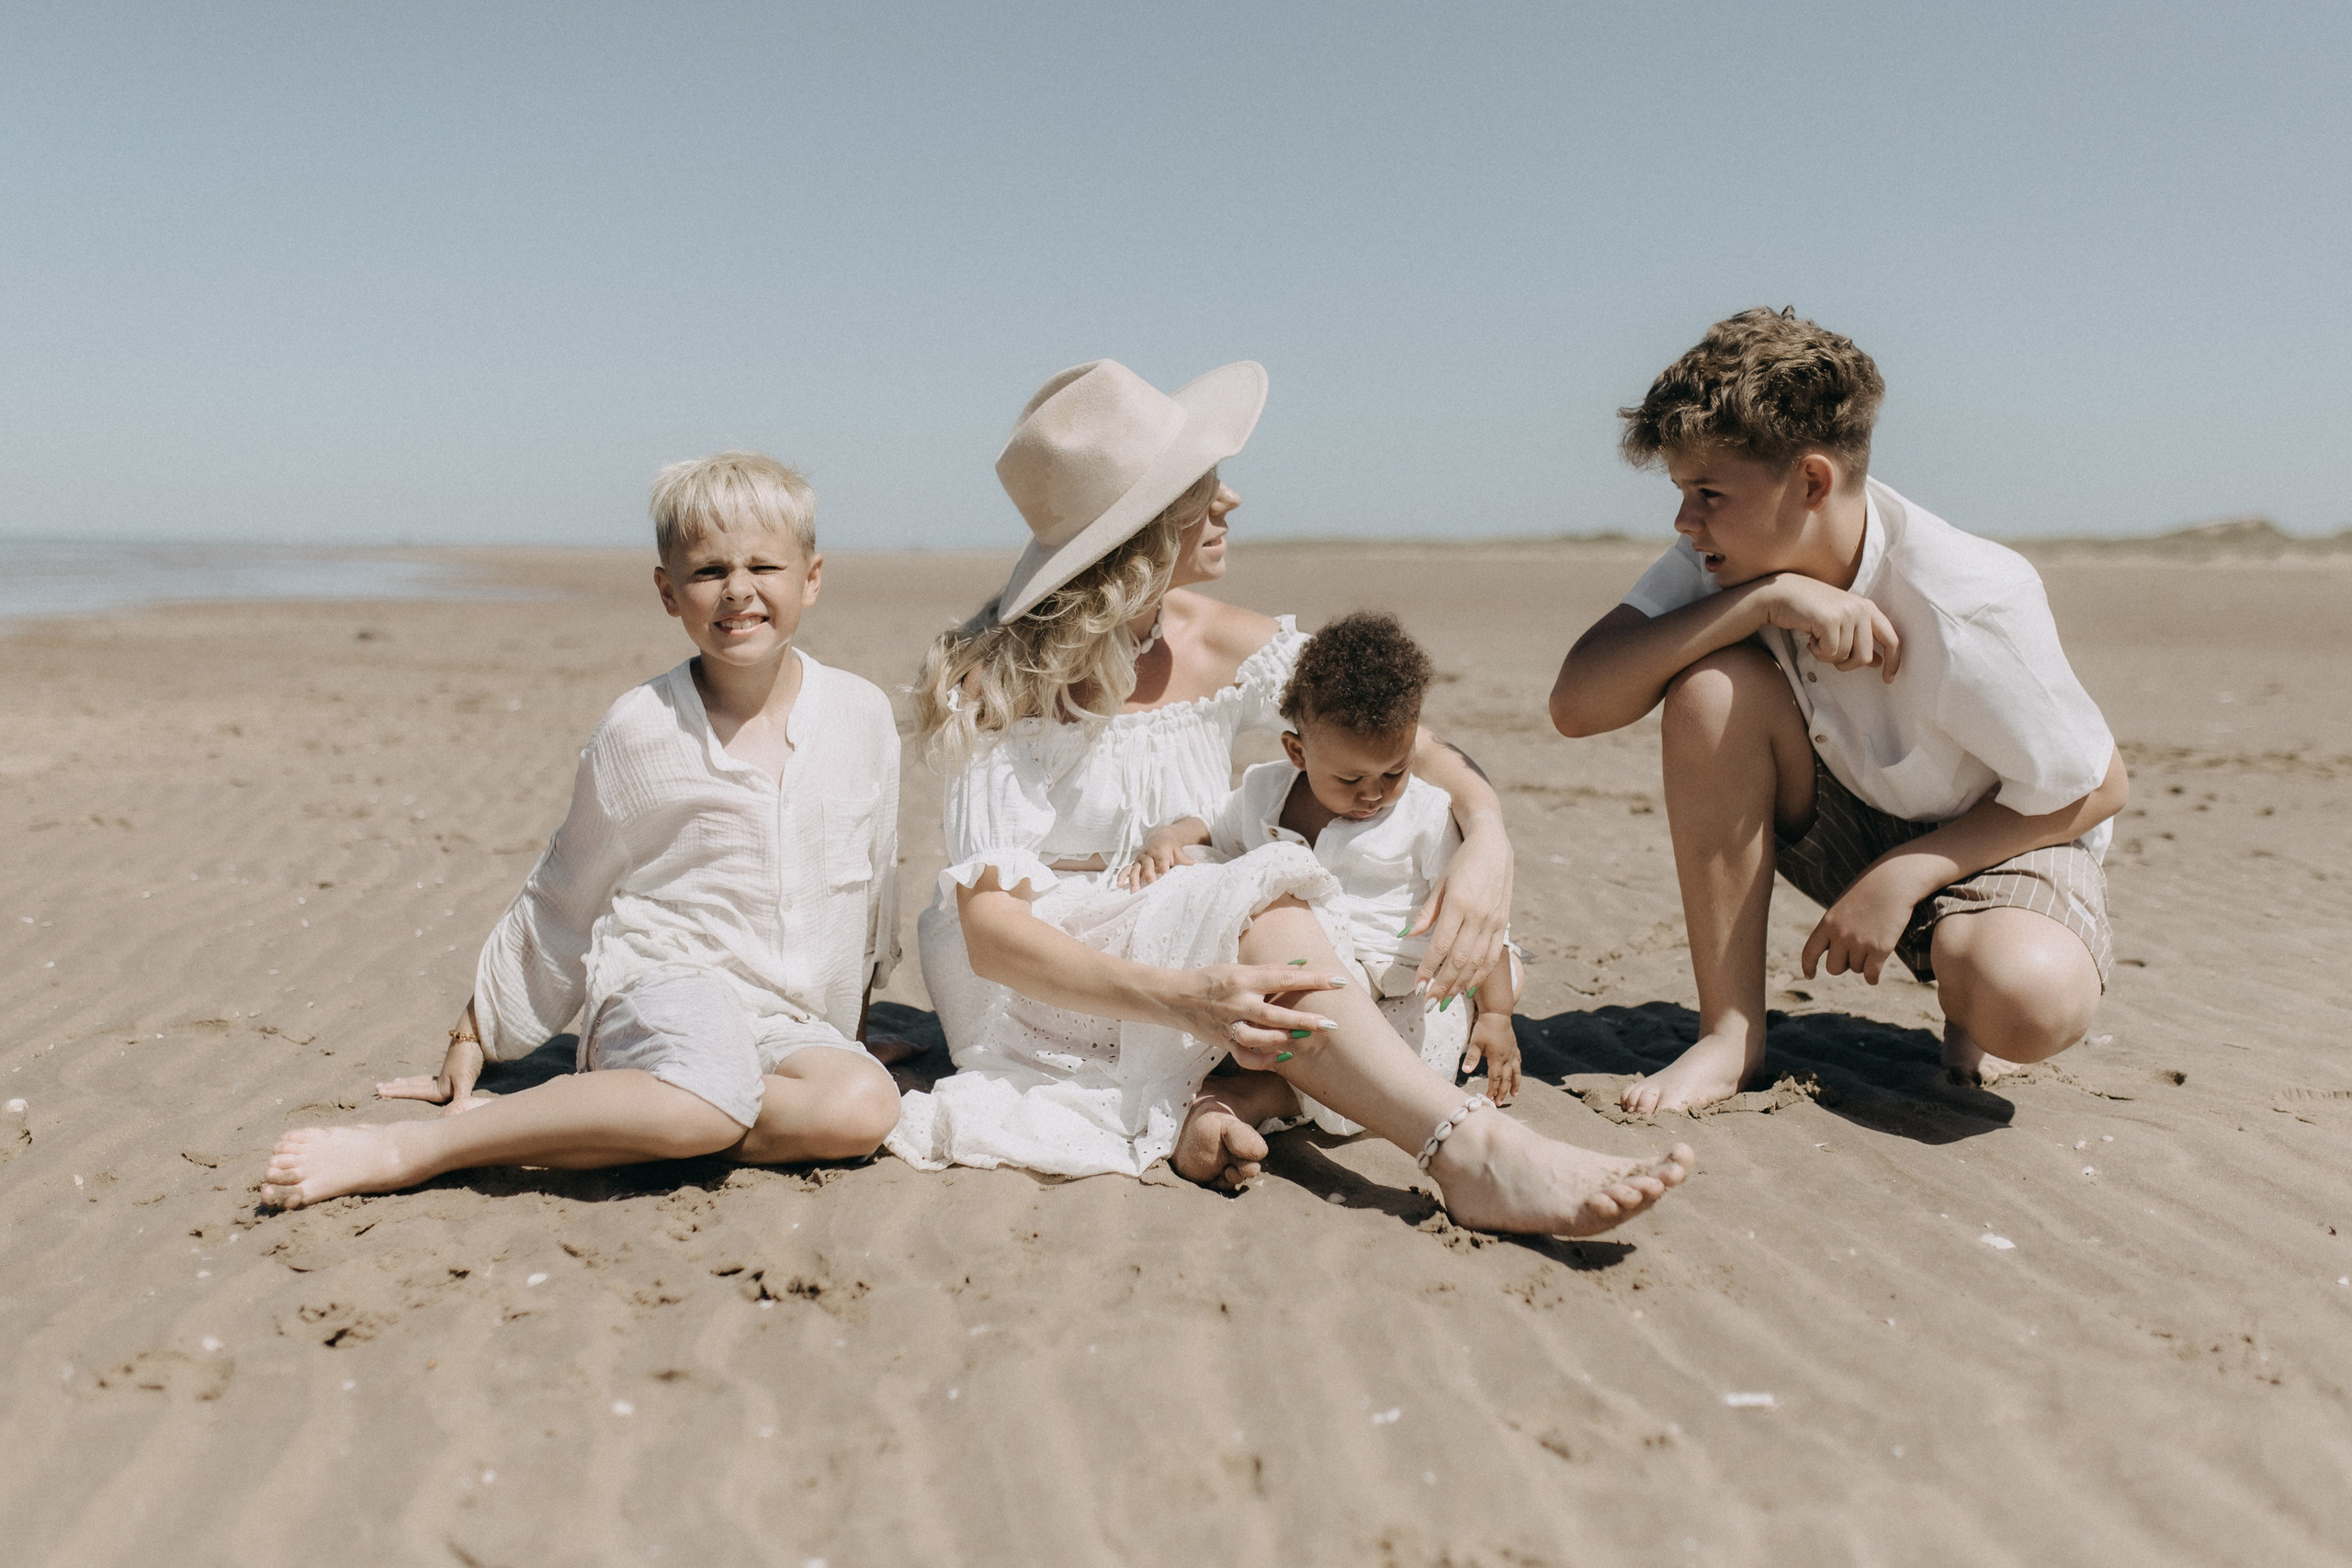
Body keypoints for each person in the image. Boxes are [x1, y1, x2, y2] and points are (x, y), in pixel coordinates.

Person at [887, 357, 1688, 1239]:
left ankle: (1227, 1098)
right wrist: (1178, 996)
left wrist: (1489, 839)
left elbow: (1417, 749)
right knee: (1268, 890)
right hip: (1058, 980)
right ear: (1143, 532)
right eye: (1203, 489)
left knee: (1450, 963)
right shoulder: (997, 681)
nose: (1230, 503)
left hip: (1205, 932)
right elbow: (993, 937)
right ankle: (1470, 1153)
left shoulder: (1229, 640)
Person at [260, 453, 905, 1208]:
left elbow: (873, 876)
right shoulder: (641, 730)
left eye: (765, 565)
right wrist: (480, 1028)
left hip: (785, 1017)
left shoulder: (861, 715)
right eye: (707, 572)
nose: (738, 590)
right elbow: (564, 893)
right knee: (709, 1085)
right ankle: (420, 1148)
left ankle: (622, 1118)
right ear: (668, 591)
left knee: (864, 1107)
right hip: (667, 985)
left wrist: (849, 1030)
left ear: (812, 578)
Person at [1549, 309, 2127, 1118]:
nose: (1686, 522)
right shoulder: (1728, 560)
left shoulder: (1970, 598)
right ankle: (1729, 1035)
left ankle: (1970, 1002)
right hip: (1844, 815)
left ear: (1812, 482)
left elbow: (2098, 785)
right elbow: (1577, 703)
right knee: (1709, 689)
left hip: (2001, 836)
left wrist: (1909, 872)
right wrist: (1766, 601)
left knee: (2024, 998)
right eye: (1682, 493)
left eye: (1707, 494)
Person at [1123, 609, 1523, 1118]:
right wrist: (1167, 837)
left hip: (1390, 984)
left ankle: (1265, 1099)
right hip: (1298, 966)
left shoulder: (1424, 815)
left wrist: (1497, 1014)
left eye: (1393, 771)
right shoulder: (1266, 792)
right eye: (1350, 779)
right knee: (1202, 880)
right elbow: (1210, 823)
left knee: (1425, 1042)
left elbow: (1480, 922)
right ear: (1297, 752)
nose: (1373, 794)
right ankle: (1244, 1079)